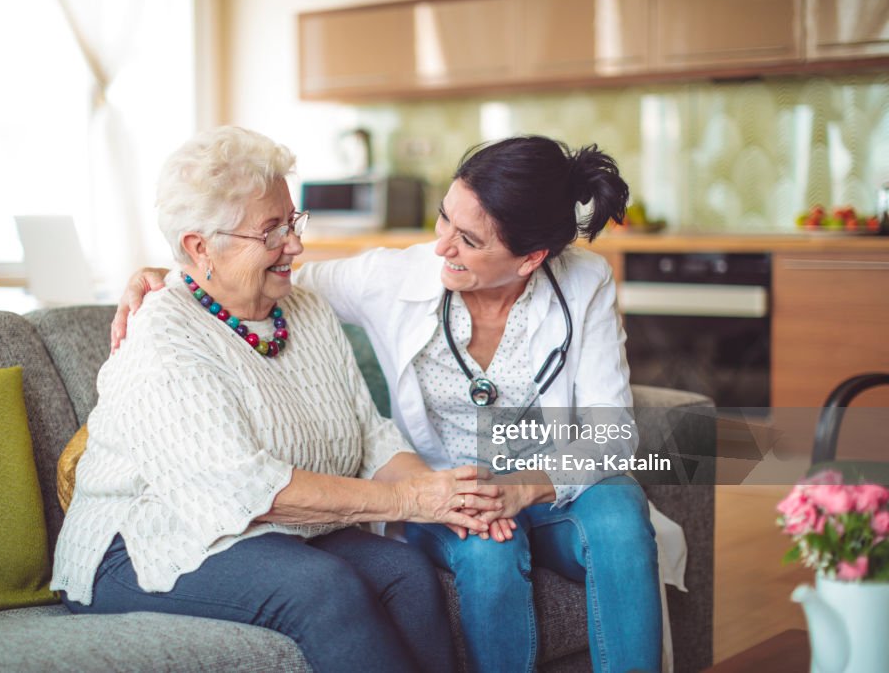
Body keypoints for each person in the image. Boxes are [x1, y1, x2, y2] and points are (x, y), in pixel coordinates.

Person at [115, 135, 665, 673]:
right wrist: (178, 278)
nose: (442, 246)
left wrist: (522, 488)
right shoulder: (394, 275)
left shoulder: (584, 283)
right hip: (449, 481)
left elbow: (610, 437)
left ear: (531, 258)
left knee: (618, 510)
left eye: (470, 240)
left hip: (548, 488)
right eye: (444, 218)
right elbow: (262, 282)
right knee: (487, 548)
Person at [51, 126, 508, 673]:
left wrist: (445, 492)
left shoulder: (305, 309)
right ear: (200, 248)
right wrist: (411, 501)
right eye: (271, 231)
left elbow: (370, 436)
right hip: (143, 541)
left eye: (292, 222)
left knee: (404, 573)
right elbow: (249, 491)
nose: (294, 244)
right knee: (321, 587)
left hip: (268, 533)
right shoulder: (163, 337)